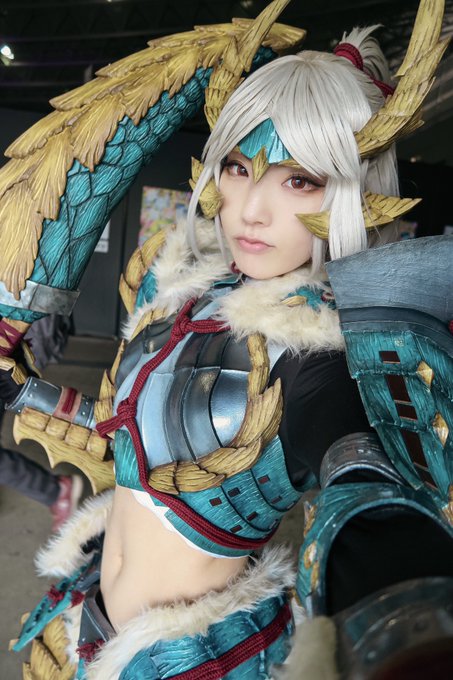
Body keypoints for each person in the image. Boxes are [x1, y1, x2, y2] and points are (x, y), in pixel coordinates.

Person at [5, 1, 453, 678]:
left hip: (201, 660)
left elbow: (370, 496)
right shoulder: (180, 292)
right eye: (239, 167)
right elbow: (134, 443)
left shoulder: (325, 353)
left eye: (298, 180)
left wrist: (401, 619)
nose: (249, 209)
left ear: (357, 193)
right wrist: (25, 391)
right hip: (81, 622)